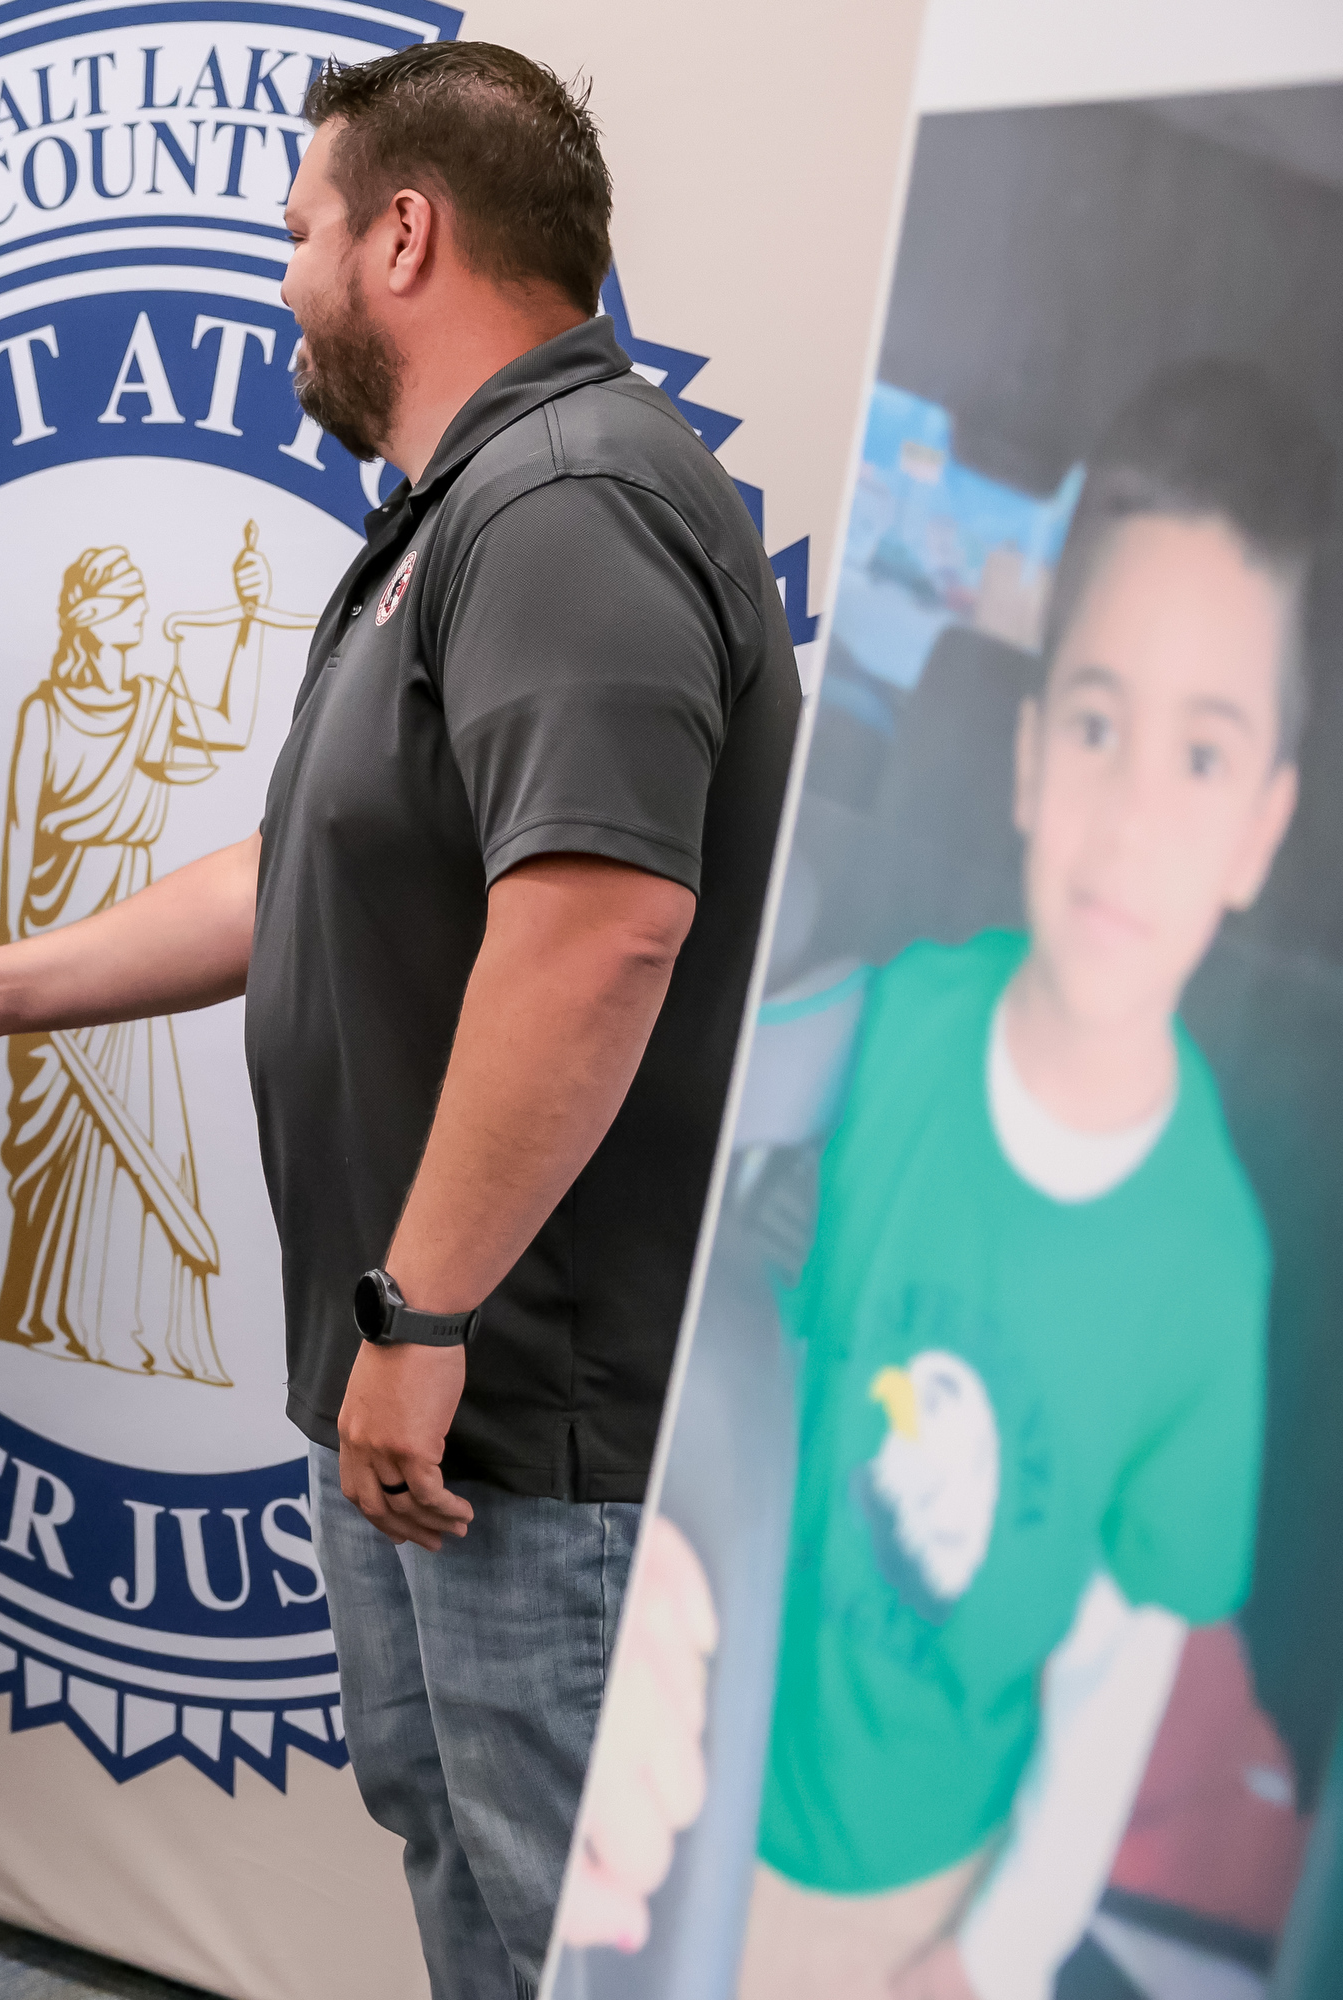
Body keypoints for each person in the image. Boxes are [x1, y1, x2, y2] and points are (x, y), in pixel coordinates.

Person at [0, 43, 800, 1998]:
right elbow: (293, 872)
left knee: (566, 1934)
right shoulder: (467, 509)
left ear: (404, 236)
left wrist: (421, 1312)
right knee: (479, 1883)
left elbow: (599, 926)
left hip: (537, 1422)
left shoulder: (574, 498)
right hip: (447, 1410)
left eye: (300, 234)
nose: (285, 282)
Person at [565, 364, 1314, 2000]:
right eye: (1102, 726)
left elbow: (1115, 1690)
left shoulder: (1209, 1278)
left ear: (1261, 829)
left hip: (905, 1902)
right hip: (711, 1777)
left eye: (1200, 760)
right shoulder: (896, 1016)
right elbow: (678, 1172)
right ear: (1035, 760)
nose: (1128, 815)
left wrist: (992, 1951)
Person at [0, 532, 314, 1383]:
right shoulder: (45, 713)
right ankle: (51, 1309)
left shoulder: (153, 699)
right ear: (90, 618)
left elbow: (233, 727)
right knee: (55, 1139)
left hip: (133, 936)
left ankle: (126, 1320)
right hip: (52, 931)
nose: (139, 616)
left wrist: (243, 624)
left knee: (140, 1122)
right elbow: (21, 836)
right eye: (125, 603)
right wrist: (12, 960)